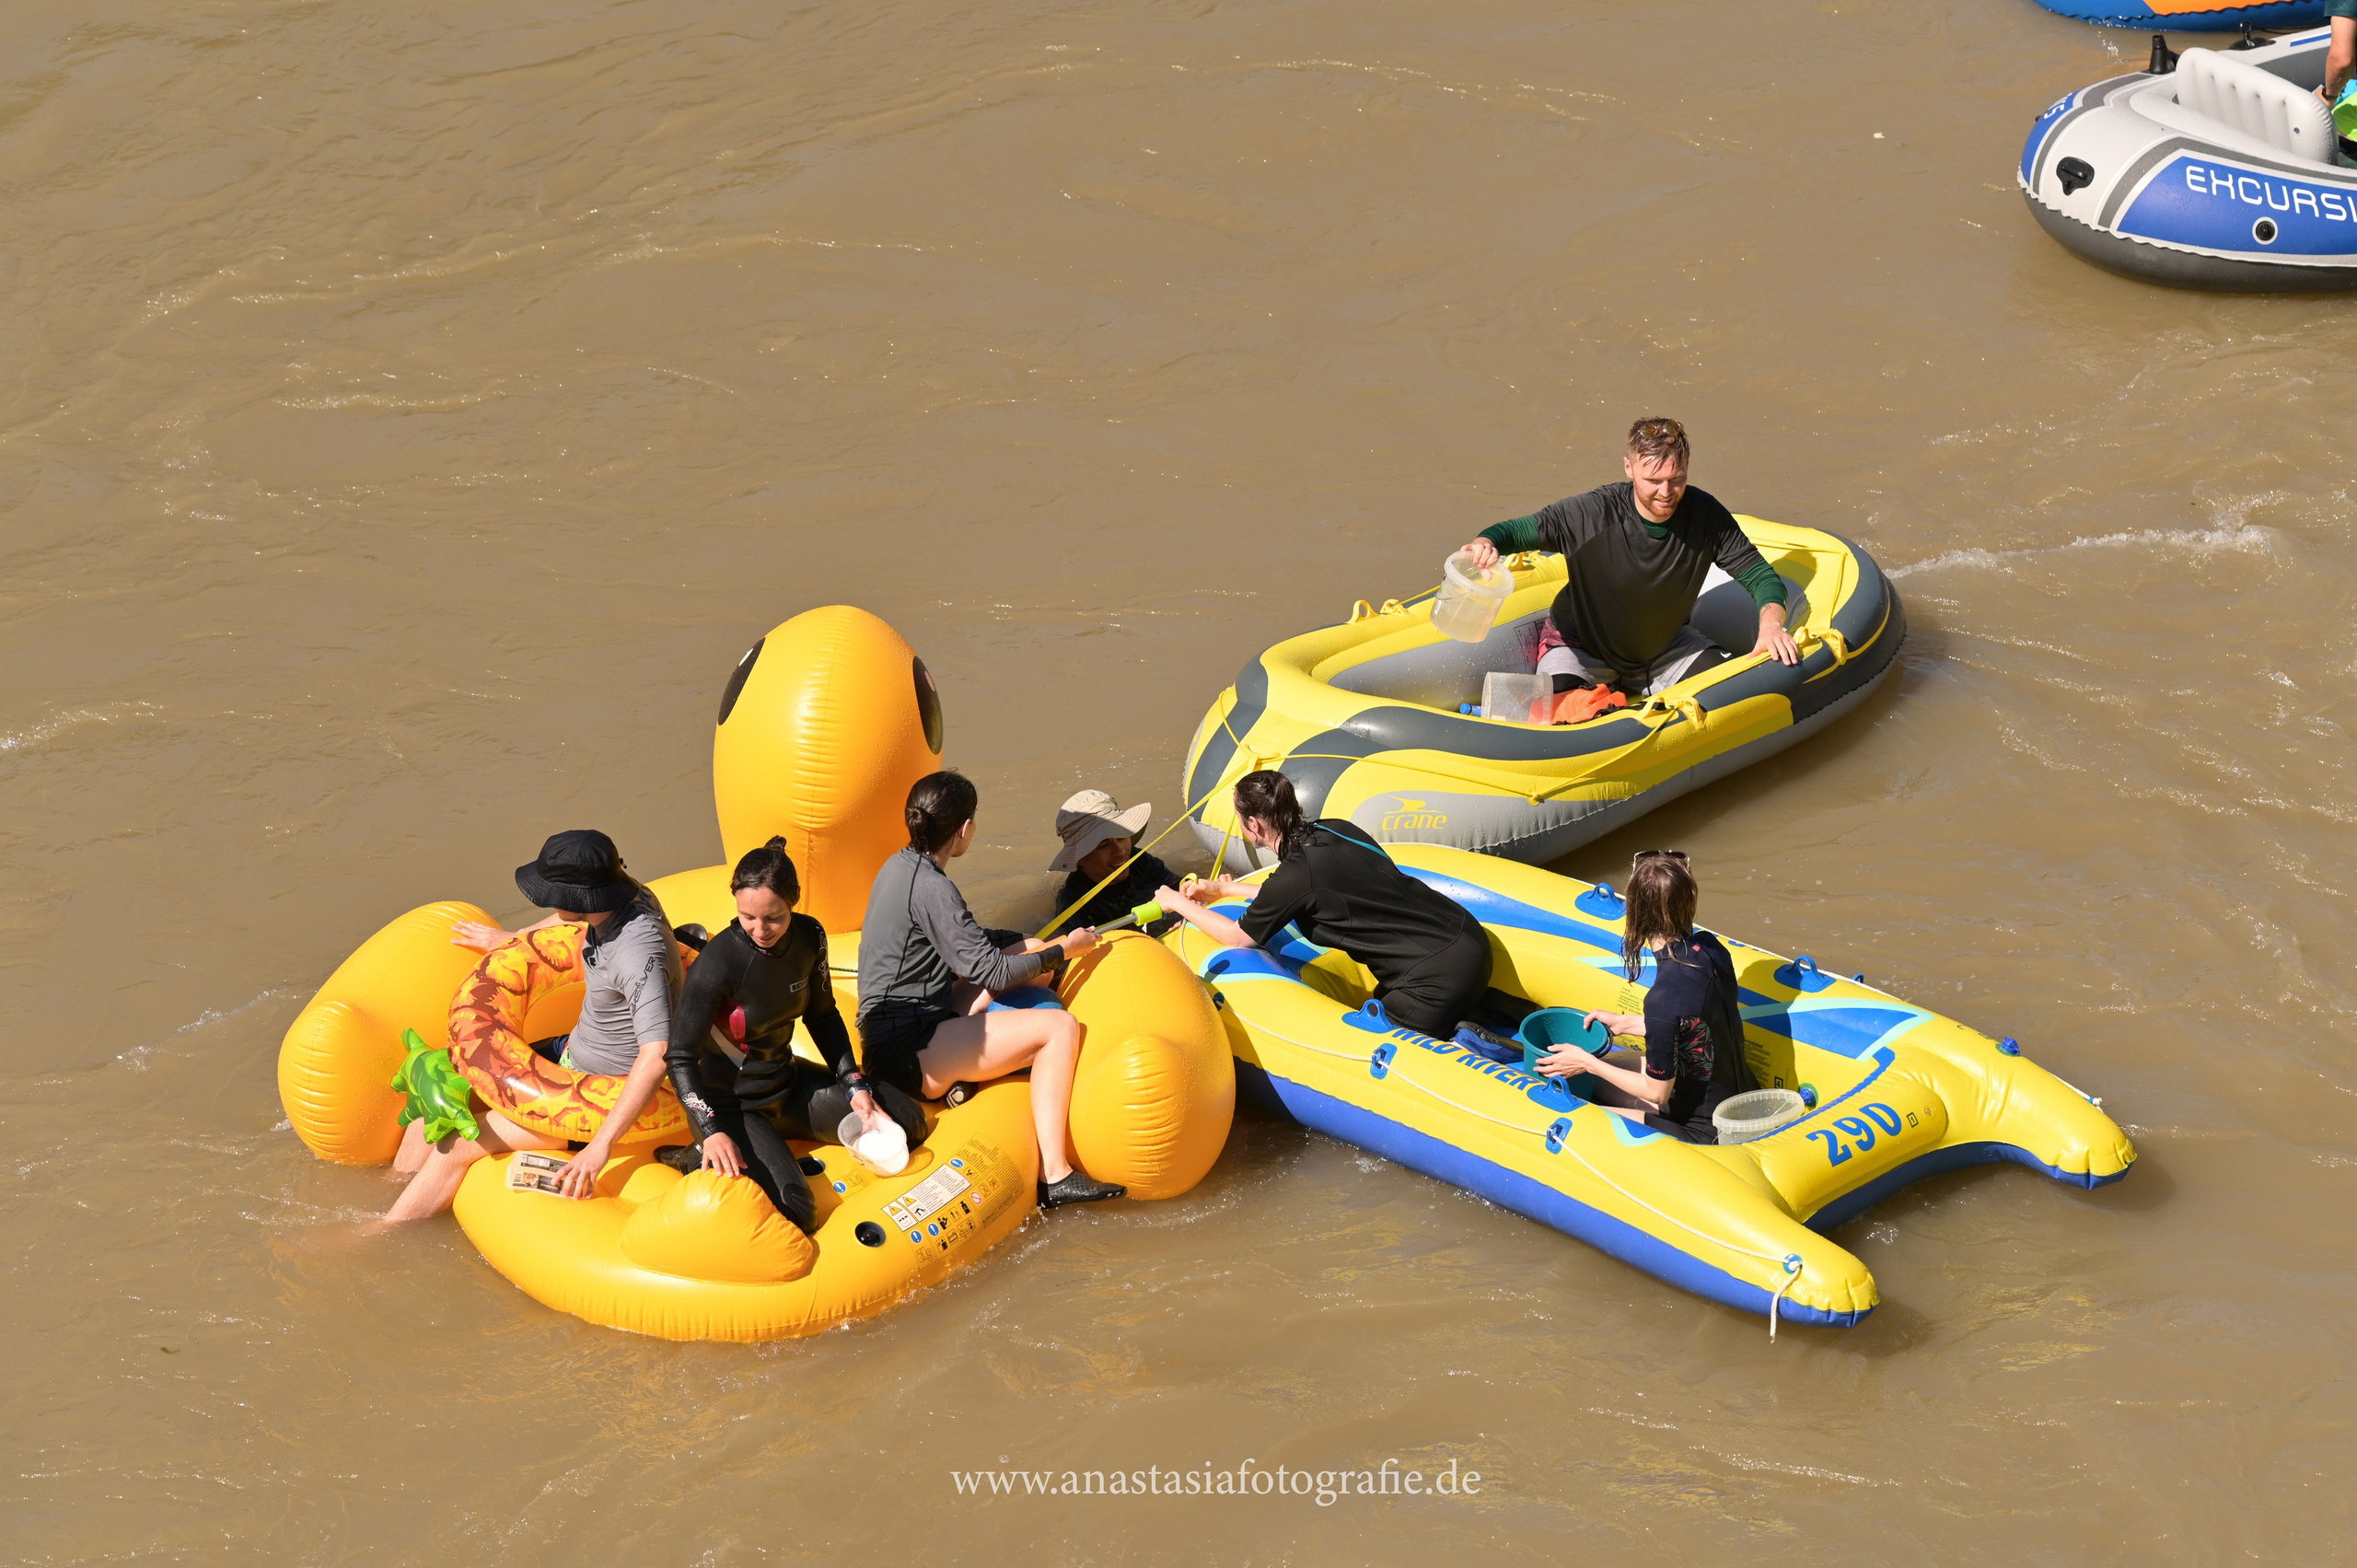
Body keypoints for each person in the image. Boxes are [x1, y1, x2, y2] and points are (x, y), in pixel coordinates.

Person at [855, 771, 1127, 1210]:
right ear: (965, 830)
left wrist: (1037, 943)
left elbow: (971, 939)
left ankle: (968, 1077)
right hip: (908, 1048)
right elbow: (993, 973)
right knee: (1059, 1027)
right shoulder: (933, 887)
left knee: (1034, 947)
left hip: (907, 1021)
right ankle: (1055, 1175)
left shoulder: (900, 865)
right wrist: (1066, 951)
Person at [385, 830, 681, 1221]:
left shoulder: (637, 953)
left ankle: (382, 1231)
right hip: (573, 1051)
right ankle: (391, 1184)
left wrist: (599, 1148)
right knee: (445, 1083)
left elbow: (658, 1053)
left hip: (595, 1095)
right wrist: (515, 939)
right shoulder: (624, 894)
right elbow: (567, 922)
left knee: (459, 1143)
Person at [661, 837, 927, 1232]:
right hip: (732, 1106)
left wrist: (853, 1084)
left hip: (786, 1085)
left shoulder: (809, 937)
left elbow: (822, 1015)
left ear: (794, 901)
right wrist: (712, 1129)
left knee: (910, 1122)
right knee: (797, 1214)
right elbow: (679, 1056)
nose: (760, 929)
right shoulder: (718, 963)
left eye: (774, 917)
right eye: (748, 917)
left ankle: (781, 1129)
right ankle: (695, 1153)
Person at [1457, 416, 1800, 698]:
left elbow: (1761, 577)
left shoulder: (1706, 515)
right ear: (1628, 467)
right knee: (1569, 719)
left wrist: (1770, 627)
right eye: (1653, 480)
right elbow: (1515, 531)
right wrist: (1486, 542)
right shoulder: (1590, 514)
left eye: (1676, 479)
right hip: (1579, 648)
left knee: (1740, 697)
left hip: (1665, 650)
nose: (1666, 493)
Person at [1154, 771, 1493, 1041]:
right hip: (1470, 940)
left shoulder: (1298, 873)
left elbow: (1238, 937)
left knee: (1371, 1046)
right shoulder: (1336, 830)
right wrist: (1222, 889)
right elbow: (1306, 891)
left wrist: (1175, 902)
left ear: (1253, 824)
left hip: (1434, 980)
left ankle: (1473, 1045)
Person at [1535, 850, 1759, 1144]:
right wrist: (1627, 1023)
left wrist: (1587, 1063)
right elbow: (1696, 1025)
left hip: (1701, 1129)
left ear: (1636, 915)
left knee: (1574, 1106)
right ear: (1689, 901)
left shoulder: (1664, 996)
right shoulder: (1711, 949)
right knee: (1599, 1076)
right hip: (1738, 1096)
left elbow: (1657, 1092)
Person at [1046, 789, 1181, 937]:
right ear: (1080, 858)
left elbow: (1177, 886)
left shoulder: (1139, 860)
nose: (1120, 851)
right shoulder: (1076, 909)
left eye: (1121, 836)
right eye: (1104, 845)